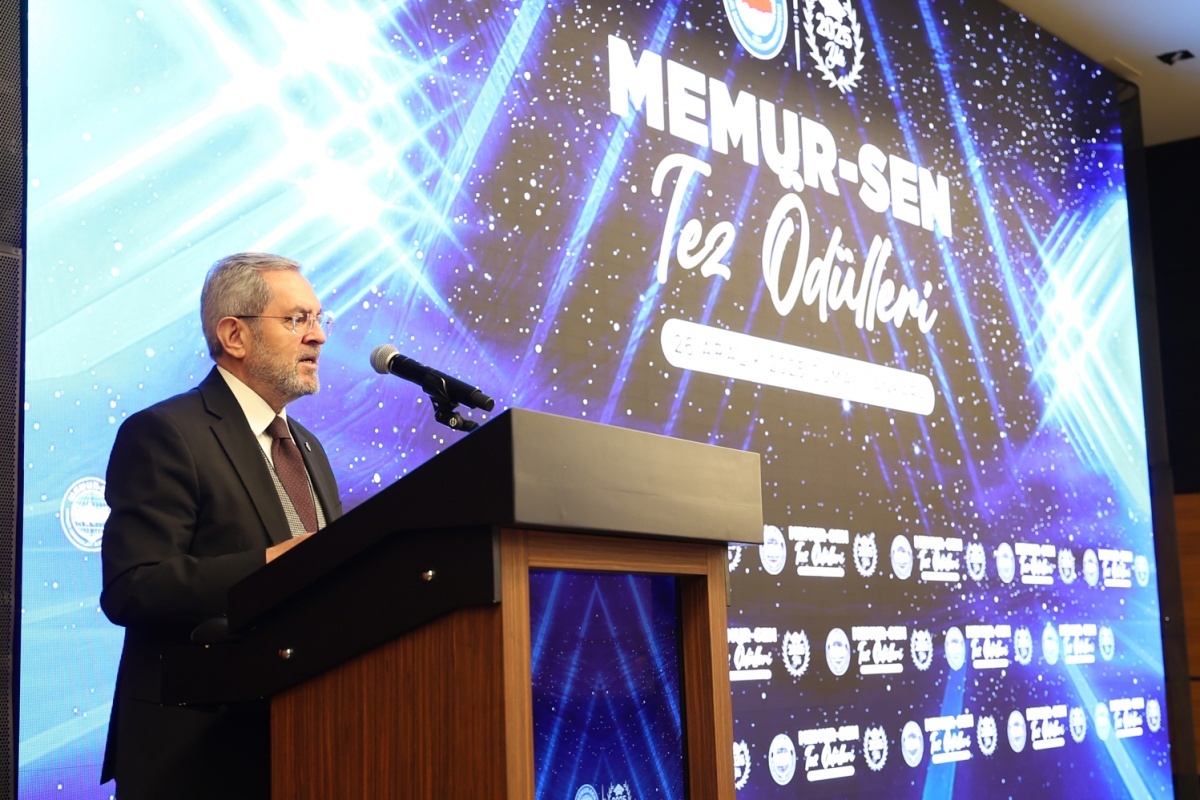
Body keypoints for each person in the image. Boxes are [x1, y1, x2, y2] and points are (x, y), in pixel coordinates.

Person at [99, 253, 343, 799]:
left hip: (305, 739)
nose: (319, 335)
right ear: (235, 335)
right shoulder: (164, 433)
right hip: (194, 755)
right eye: (296, 319)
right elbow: (132, 586)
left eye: (319, 318)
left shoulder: (308, 448)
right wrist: (267, 568)